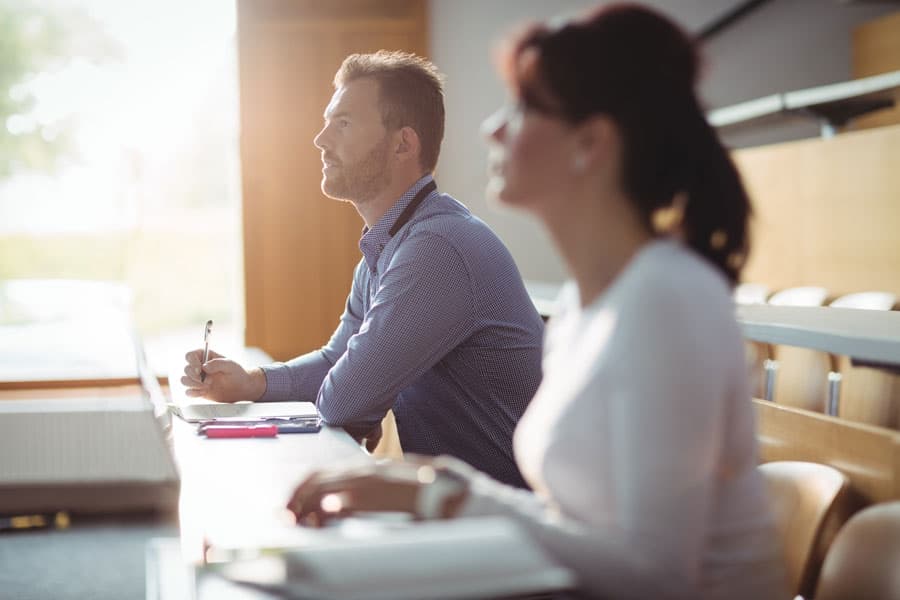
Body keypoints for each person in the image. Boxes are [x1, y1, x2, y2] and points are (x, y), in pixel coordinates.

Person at [283, 5, 788, 599]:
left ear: (590, 143)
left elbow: (657, 576)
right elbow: (573, 526)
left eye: (523, 108)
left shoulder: (666, 301)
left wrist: (441, 496)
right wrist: (439, 480)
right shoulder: (584, 304)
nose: (493, 128)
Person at [181, 51, 543, 488]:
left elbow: (344, 401)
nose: (320, 139)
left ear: (402, 144)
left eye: (344, 123)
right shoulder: (393, 242)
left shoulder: (436, 248)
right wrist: (249, 383)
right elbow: (338, 363)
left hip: (505, 525)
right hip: (461, 511)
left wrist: (365, 398)